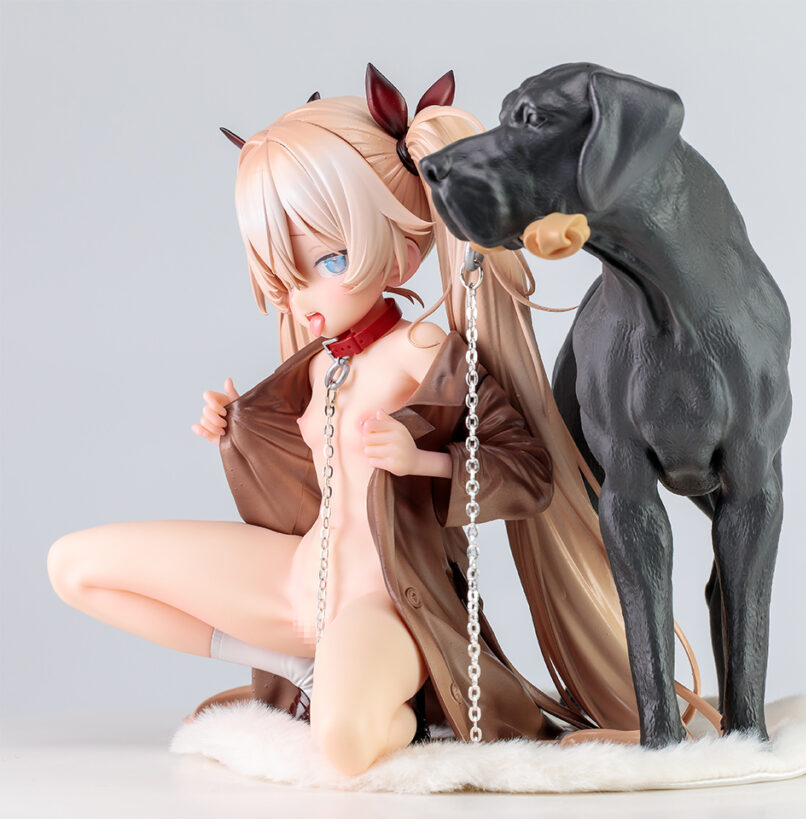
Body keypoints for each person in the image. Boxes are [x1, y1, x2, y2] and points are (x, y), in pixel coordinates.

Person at [47, 64, 715, 778]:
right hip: (297, 581)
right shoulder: (315, 363)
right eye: (283, 275)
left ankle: (402, 705)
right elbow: (301, 468)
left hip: (384, 601)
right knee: (76, 568)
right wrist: (232, 424)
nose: (304, 296)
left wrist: (424, 460)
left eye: (329, 261)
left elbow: (526, 470)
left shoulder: (422, 349)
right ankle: (296, 667)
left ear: (395, 245)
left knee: (342, 743)